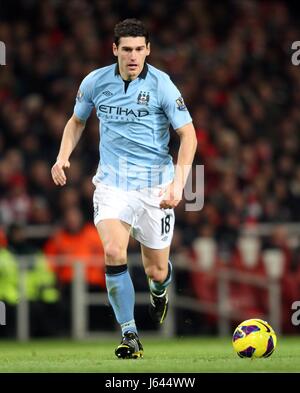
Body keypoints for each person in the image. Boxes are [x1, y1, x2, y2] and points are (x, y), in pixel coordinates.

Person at [51, 18, 197, 359]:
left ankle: (160, 289)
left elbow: (188, 135)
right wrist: (62, 157)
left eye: (139, 49)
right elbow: (77, 121)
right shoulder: (94, 82)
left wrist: (179, 184)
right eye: (126, 49)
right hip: (112, 183)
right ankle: (129, 334)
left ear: (148, 49)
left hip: (155, 188)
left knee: (155, 270)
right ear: (114, 49)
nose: (133, 56)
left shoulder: (163, 85)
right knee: (114, 251)